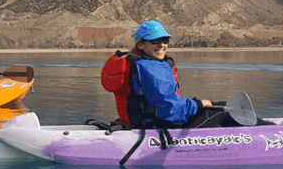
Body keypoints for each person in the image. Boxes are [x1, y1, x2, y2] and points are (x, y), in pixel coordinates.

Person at [108, 20, 259, 130]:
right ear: (141, 45)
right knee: (226, 113)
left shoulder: (139, 63)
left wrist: (198, 104)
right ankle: (274, 134)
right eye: (155, 40)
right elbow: (169, 109)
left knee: (217, 104)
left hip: (143, 122)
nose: (162, 45)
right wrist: (198, 104)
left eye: (165, 40)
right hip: (157, 126)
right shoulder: (150, 67)